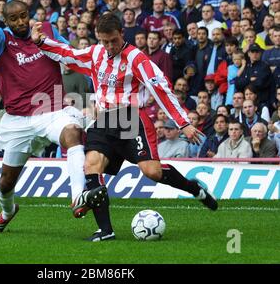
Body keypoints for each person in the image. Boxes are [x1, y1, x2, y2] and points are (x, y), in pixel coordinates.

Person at [32, 13, 218, 241]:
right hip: (103, 120)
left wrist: (184, 123)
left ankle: (195, 189)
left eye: (114, 41)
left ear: (122, 33)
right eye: (104, 41)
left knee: (152, 172)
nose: (109, 46)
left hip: (130, 119)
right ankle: (106, 230)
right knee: (91, 165)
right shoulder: (95, 53)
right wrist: (41, 42)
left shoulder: (137, 59)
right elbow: (68, 54)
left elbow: (160, 89)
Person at [0, 0, 97, 233]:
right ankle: (8, 210)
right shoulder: (0, 39)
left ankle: (78, 197)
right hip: (18, 120)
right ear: (6, 21)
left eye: (23, 16)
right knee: (6, 183)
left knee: (72, 133)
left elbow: (71, 55)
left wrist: (47, 44)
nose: (20, 22)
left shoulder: (47, 30)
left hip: (52, 111)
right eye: (14, 18)